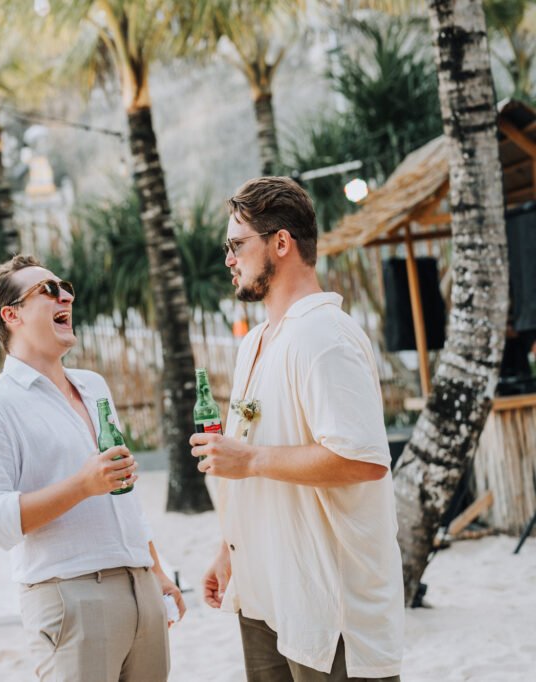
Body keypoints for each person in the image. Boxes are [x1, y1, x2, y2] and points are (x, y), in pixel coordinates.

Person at [191, 176, 404, 681]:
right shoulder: (256, 342)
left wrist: (250, 460)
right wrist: (229, 550)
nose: (229, 260)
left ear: (281, 243)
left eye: (237, 245)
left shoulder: (324, 337)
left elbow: (363, 460)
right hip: (265, 595)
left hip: (329, 611)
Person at [0, 255, 184, 682]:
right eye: (48, 290)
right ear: (12, 315)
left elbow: (123, 492)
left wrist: (156, 570)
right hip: (71, 598)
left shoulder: (94, 386)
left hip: (141, 589)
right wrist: (81, 486)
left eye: (65, 287)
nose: (65, 295)